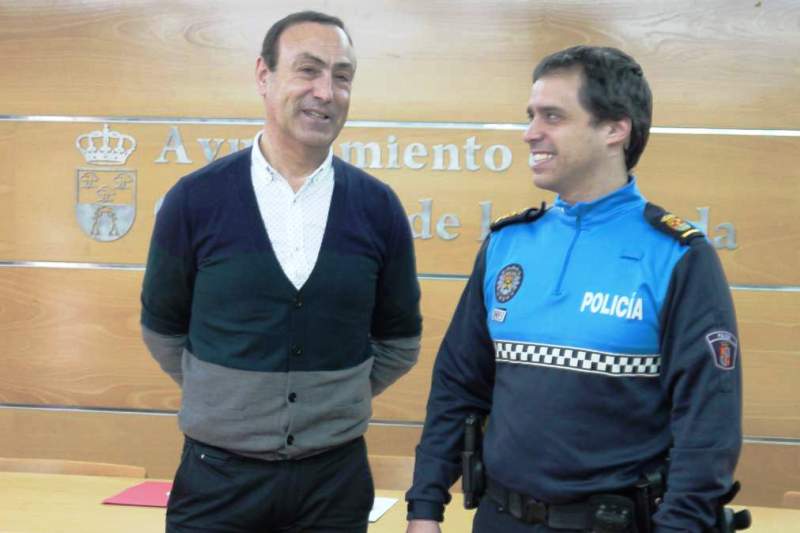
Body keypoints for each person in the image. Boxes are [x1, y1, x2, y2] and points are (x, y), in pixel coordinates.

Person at [406, 45, 742, 533]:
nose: (530, 133)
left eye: (552, 117)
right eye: (531, 115)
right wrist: (424, 507)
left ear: (614, 128)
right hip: (499, 519)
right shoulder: (507, 244)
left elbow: (708, 426)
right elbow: (458, 385)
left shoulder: (678, 255)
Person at [141, 11, 422, 532]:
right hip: (215, 482)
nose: (326, 91)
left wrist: (331, 401)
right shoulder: (195, 200)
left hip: (334, 486)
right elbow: (163, 330)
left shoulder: (379, 208)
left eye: (342, 76)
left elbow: (399, 342)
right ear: (263, 76)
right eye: (308, 70)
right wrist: (230, 401)